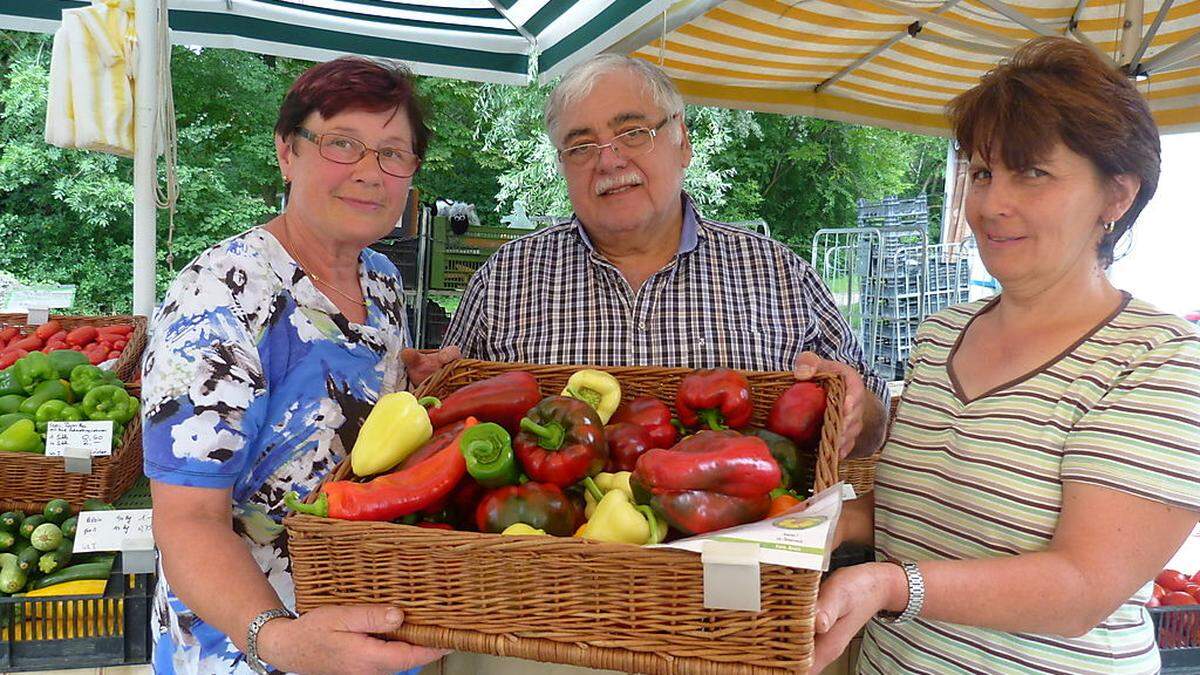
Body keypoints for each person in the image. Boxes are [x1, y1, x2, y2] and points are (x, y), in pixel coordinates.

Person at [811, 36, 1200, 674]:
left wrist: (887, 585)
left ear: (1116, 196)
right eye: (984, 172)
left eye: (1033, 173)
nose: (992, 204)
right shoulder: (942, 334)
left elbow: (1081, 588)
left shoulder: (1160, 361)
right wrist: (804, 525)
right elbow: (924, 511)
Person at [141, 57, 448, 675]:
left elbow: (346, 416)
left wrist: (408, 379)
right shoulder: (221, 297)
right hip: (251, 647)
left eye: (394, 152)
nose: (370, 172)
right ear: (288, 152)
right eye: (343, 144)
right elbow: (187, 522)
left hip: (372, 629)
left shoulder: (380, 279)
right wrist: (279, 641)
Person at [431, 54, 888, 460]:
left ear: (683, 142)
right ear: (562, 164)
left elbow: (874, 422)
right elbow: (446, 422)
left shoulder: (778, 273)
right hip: (547, 551)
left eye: (632, 133)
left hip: (738, 552)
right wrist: (430, 384)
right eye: (581, 145)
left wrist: (857, 409)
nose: (609, 161)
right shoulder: (504, 281)